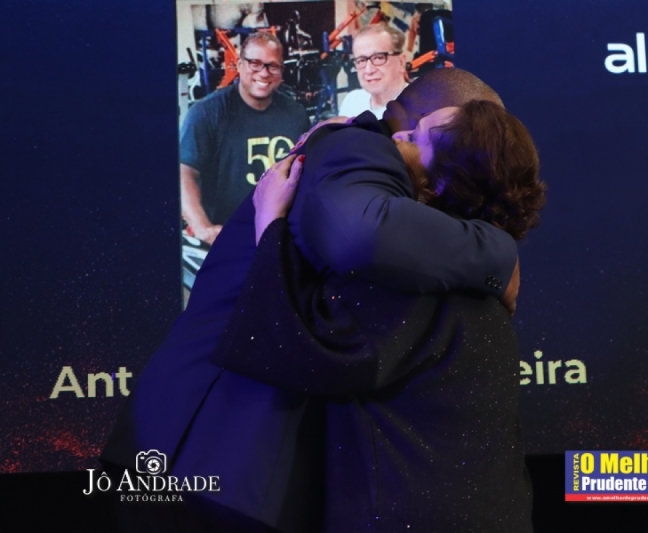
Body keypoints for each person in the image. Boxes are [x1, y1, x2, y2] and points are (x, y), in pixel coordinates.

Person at [102, 68, 522, 532]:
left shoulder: (385, 187)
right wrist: (500, 253)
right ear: (425, 119)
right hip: (201, 449)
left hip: (210, 455)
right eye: (468, 134)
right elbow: (361, 234)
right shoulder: (358, 146)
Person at [213, 98, 545, 532]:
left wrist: (269, 224)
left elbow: (297, 346)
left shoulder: (404, 287)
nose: (397, 135)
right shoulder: (485, 286)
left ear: (435, 187)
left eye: (415, 137)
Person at [180, 32, 310, 245]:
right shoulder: (207, 113)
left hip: (280, 237)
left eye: (273, 66)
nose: (264, 73)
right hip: (226, 238)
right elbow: (184, 172)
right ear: (239, 65)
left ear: (281, 71)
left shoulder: (296, 114)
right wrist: (203, 227)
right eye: (255, 63)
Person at [338, 24, 408, 119]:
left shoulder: (423, 108)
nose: (369, 70)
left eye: (378, 58)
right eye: (361, 60)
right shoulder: (352, 103)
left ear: (401, 62)